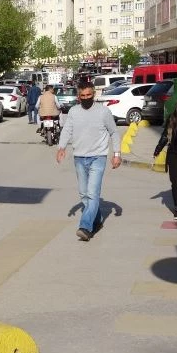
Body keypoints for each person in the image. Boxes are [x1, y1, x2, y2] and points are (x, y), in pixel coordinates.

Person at [56, 81, 122, 242]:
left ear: (94, 95)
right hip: (79, 157)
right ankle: (97, 219)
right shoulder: (73, 111)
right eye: (82, 96)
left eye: (89, 95)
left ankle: (85, 227)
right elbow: (67, 130)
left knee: (92, 194)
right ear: (78, 96)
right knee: (84, 194)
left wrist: (117, 154)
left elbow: (114, 132)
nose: (86, 98)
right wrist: (61, 147)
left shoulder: (103, 111)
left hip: (98, 157)